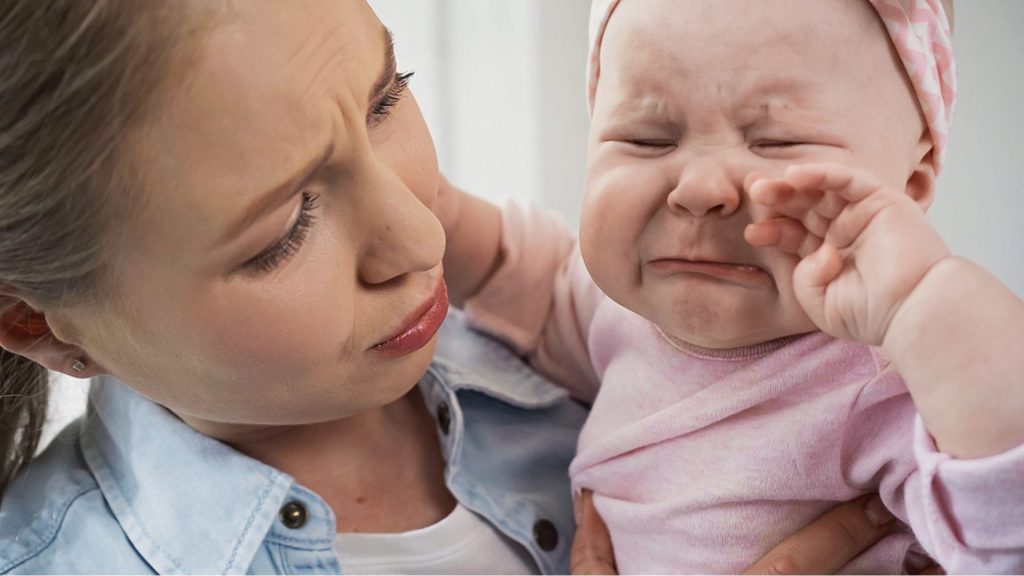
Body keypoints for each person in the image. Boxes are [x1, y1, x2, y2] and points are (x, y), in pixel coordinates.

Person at [0, 1, 898, 574]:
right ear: (33, 319)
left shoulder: (595, 354)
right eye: (284, 231)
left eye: (388, 98)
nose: (422, 235)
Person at [438, 0, 1024, 573]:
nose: (699, 187)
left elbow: (1007, 514)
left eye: (777, 140)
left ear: (912, 182)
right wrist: (422, 204)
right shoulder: (615, 314)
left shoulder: (891, 384)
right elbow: (509, 267)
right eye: (646, 137)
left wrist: (929, 301)